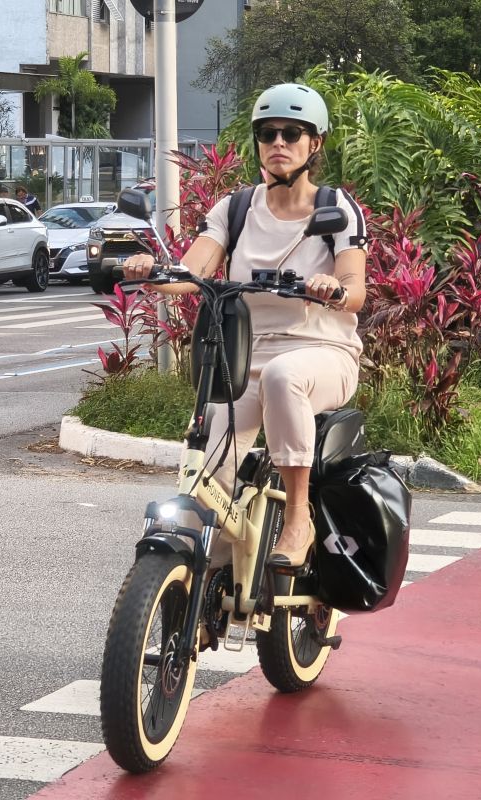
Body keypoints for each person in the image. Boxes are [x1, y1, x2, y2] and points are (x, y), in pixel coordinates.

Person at [122, 83, 368, 569]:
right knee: (208, 472)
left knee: (285, 377)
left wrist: (332, 288)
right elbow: (192, 276)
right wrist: (151, 272)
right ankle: (197, 585)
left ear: (314, 143)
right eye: (267, 132)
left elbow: (355, 289)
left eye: (292, 133)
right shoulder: (235, 208)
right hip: (245, 359)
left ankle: (299, 518)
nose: (279, 142)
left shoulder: (336, 209)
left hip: (324, 352)